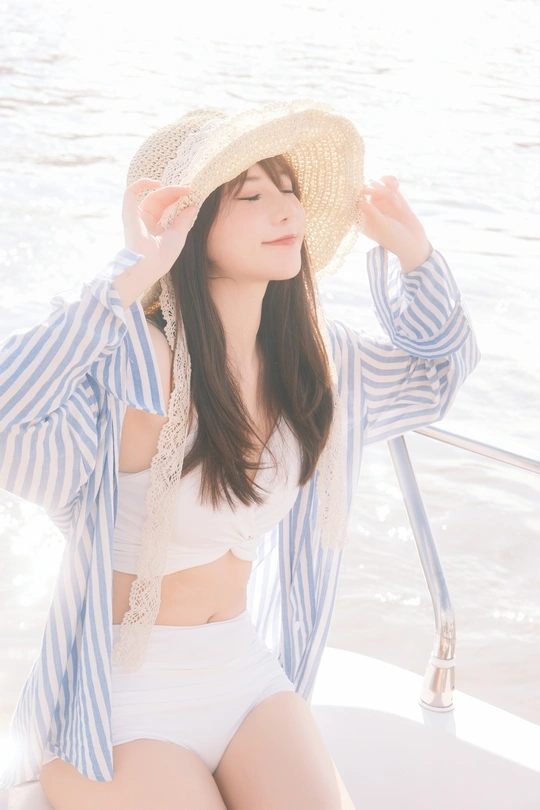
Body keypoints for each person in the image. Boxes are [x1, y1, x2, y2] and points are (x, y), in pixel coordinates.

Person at [0, 100, 480, 809]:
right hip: (119, 700)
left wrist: (414, 256)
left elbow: (439, 375)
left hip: (244, 674)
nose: (285, 208)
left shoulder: (314, 363)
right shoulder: (140, 363)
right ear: (190, 230)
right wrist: (133, 271)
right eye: (250, 195)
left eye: (288, 189)